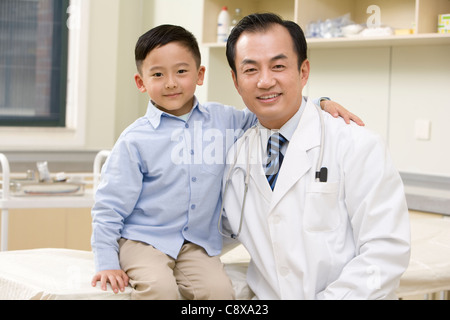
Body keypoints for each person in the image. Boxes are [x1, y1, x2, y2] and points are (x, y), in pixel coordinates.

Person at [90, 24, 362, 300]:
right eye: (158, 75)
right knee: (159, 288)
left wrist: (320, 103)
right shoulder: (134, 140)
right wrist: (106, 262)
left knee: (219, 292)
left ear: (200, 75)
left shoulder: (224, 120)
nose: (171, 82)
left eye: (181, 71)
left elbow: (270, 111)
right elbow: (109, 206)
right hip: (143, 240)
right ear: (141, 82)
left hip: (196, 243)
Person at [221, 13, 410, 300]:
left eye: (279, 66)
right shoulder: (235, 155)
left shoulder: (356, 144)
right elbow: (212, 233)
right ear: (236, 81)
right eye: (250, 70)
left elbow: (385, 252)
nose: (265, 81)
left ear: (304, 71)